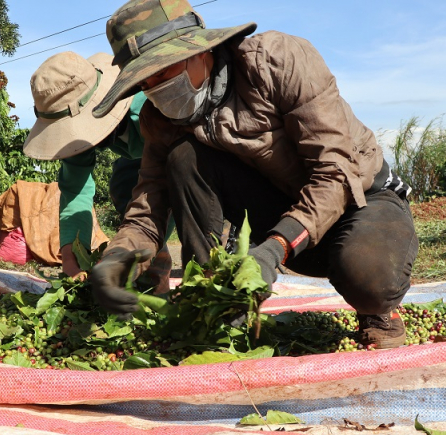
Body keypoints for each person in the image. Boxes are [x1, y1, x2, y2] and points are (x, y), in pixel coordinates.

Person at [89, 0, 419, 349]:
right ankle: (214, 302)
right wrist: (118, 255)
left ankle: (379, 313)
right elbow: (148, 207)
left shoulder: (276, 62)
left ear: (199, 51)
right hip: (278, 209)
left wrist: (275, 248)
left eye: (163, 71)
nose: (155, 88)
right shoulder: (161, 120)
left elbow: (334, 172)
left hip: (359, 201)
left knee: (368, 279)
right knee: (182, 158)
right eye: (145, 81)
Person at [23, 51, 173, 288]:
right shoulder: (76, 135)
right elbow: (75, 190)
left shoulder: (151, 109)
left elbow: (162, 193)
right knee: (123, 184)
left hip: (182, 156)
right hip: (138, 157)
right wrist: (72, 256)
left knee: (175, 206)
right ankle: (149, 265)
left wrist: (133, 247)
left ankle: (154, 265)